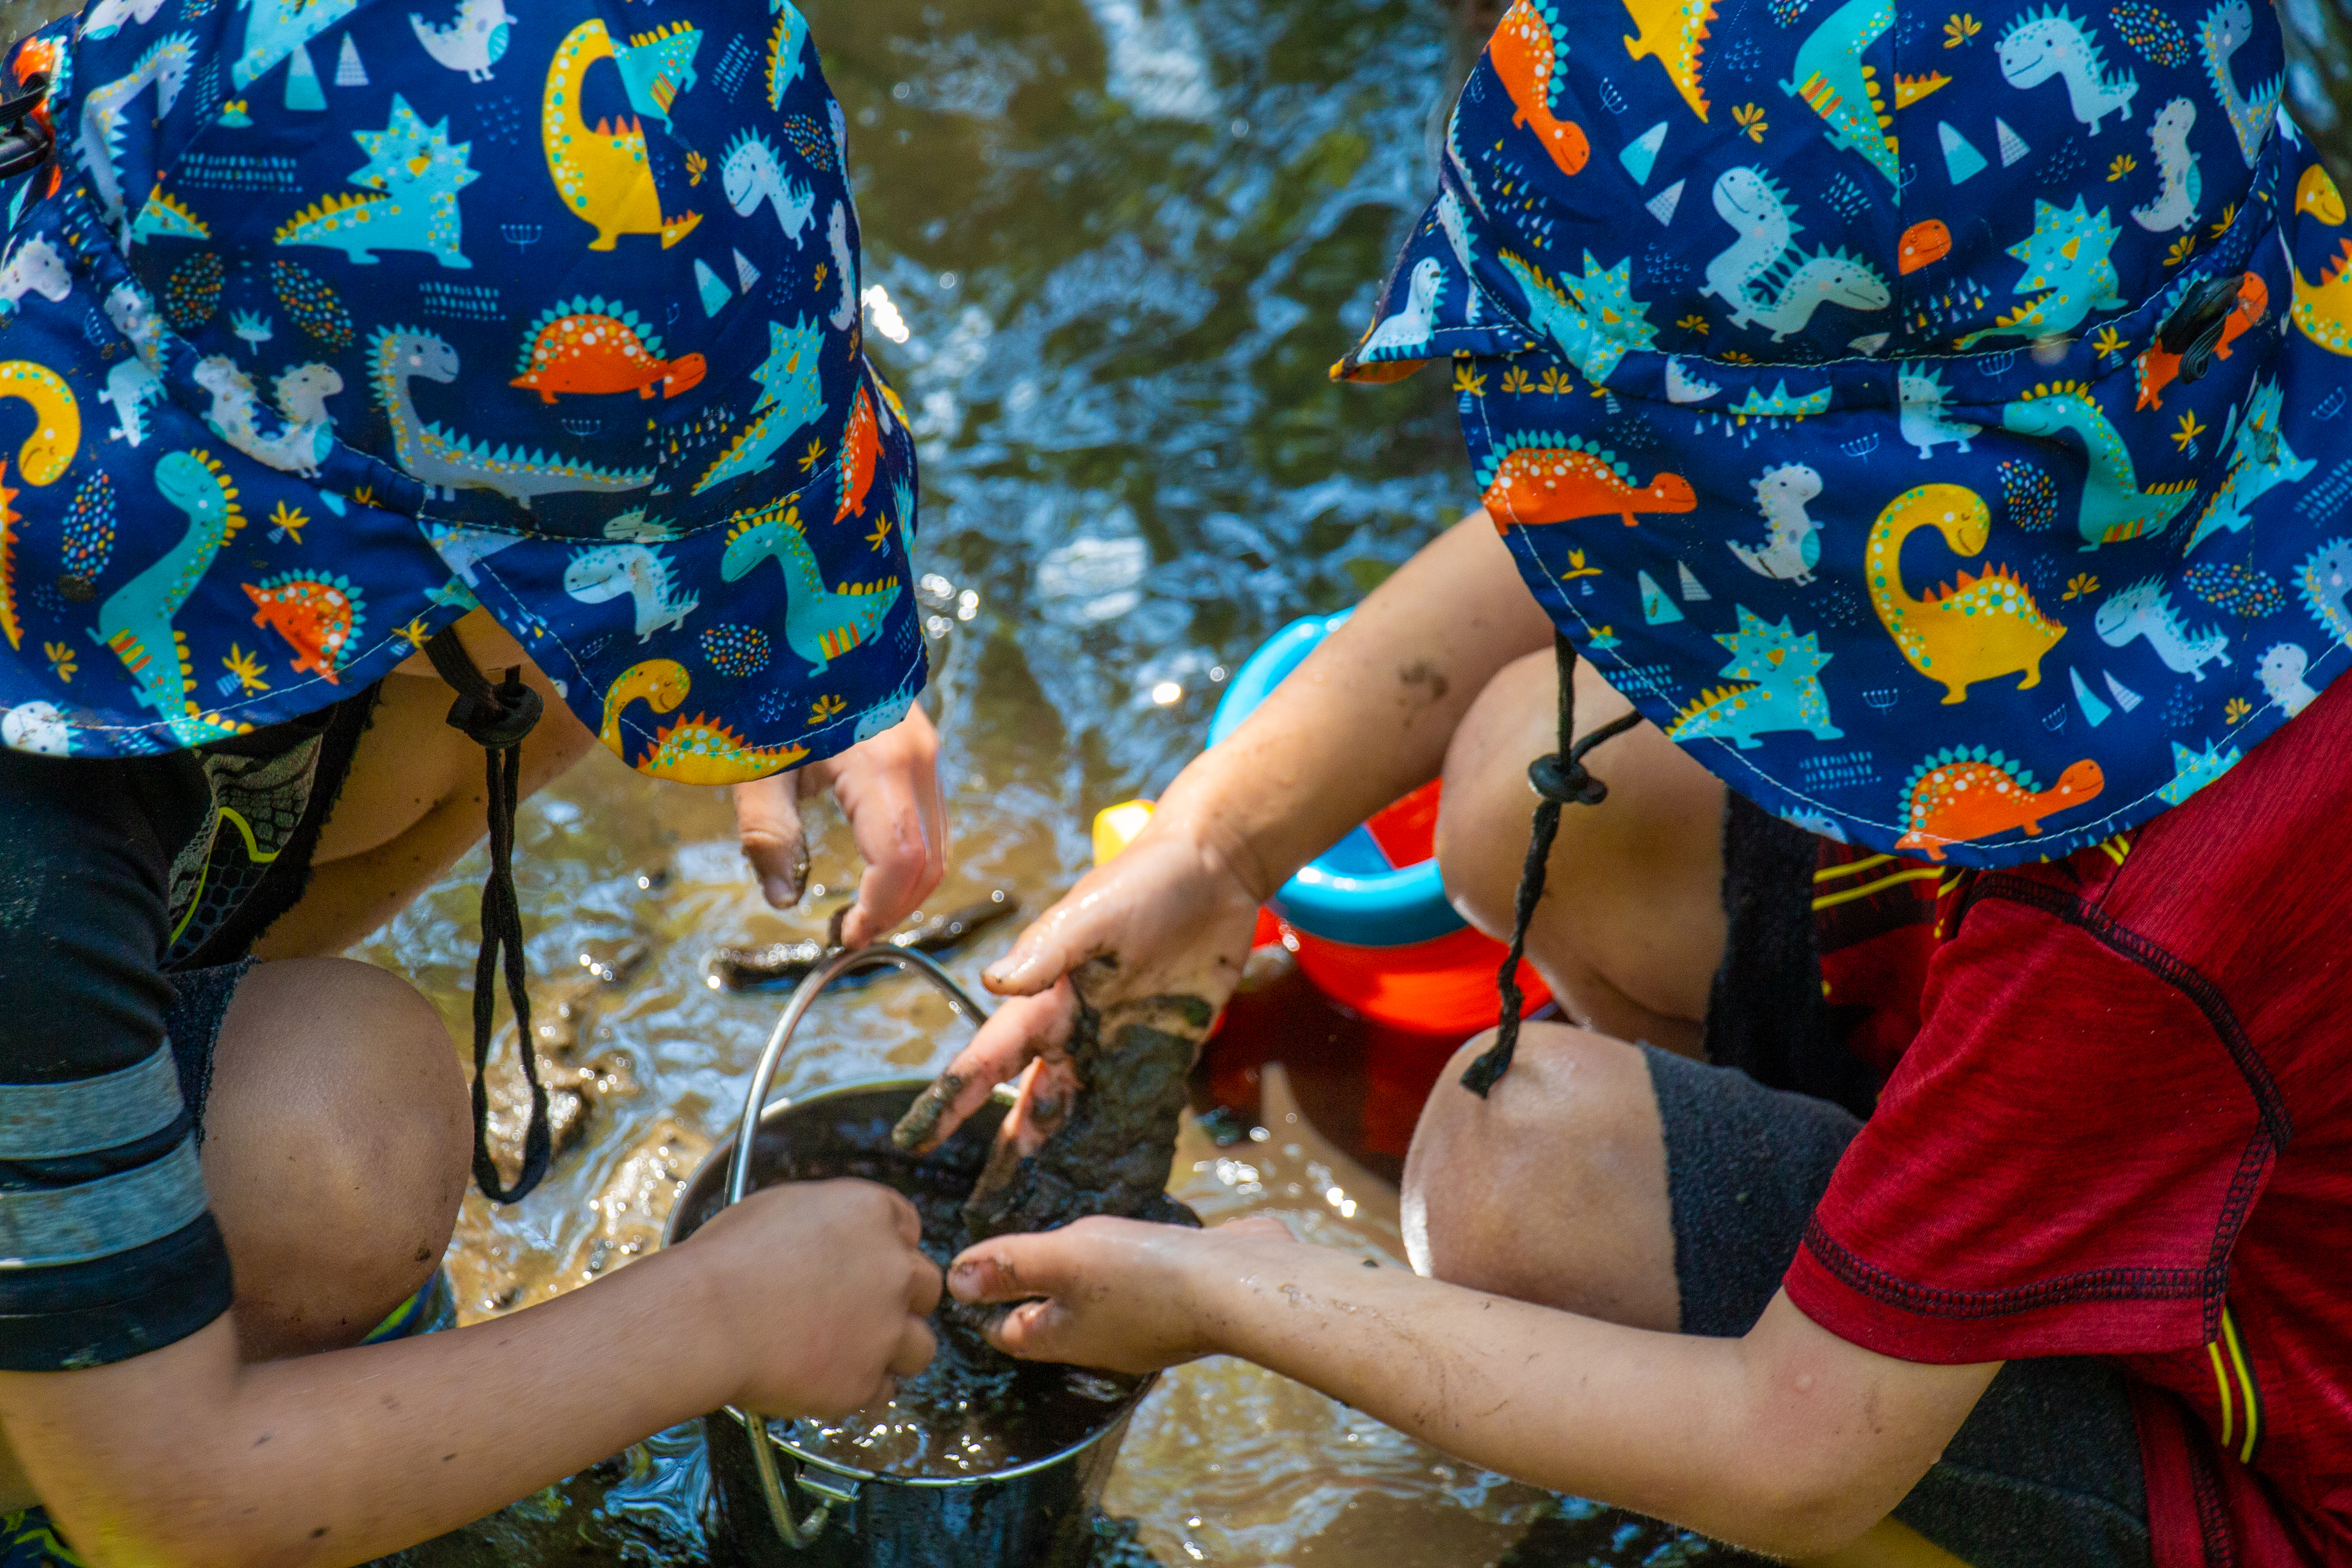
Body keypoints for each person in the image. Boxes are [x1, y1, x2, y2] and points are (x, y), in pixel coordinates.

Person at [908, 0, 2352, 1563]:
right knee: (1543, 787)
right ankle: (1885, 1241)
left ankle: (1878, 1315)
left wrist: (1248, 1294)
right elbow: (1624, 513)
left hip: (2259, 1449)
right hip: (2129, 1093)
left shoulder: (2157, 920)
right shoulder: (2181, 325)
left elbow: (1795, 1457)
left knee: (1516, 1179)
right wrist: (1216, 847)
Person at [0, 5, 950, 1563]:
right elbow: (167, 1506)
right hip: (150, 1476)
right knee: (342, 1130)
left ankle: (105, 1214)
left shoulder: (166, 270)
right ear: (338, 551)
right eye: (617, 581)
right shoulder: (28, 857)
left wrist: (776, 675)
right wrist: (712, 1321)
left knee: (516, 702)